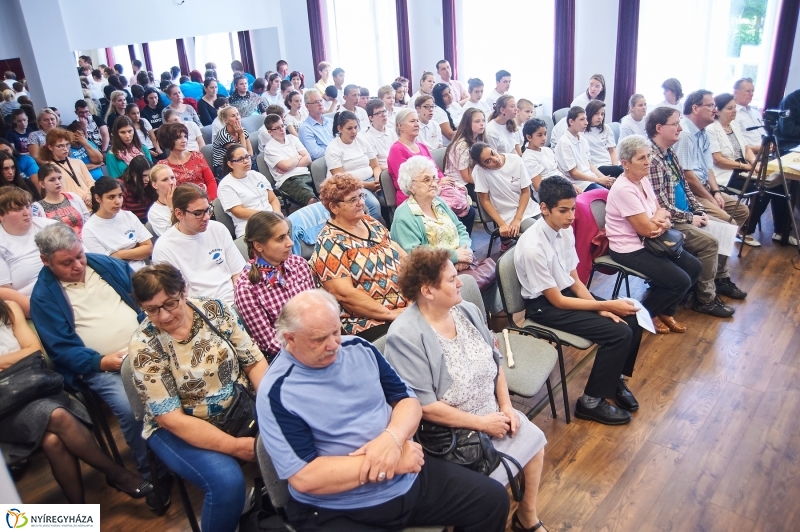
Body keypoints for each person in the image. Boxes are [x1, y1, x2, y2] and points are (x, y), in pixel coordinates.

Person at [258, 289, 510, 532]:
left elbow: (408, 402)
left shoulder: (359, 347)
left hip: (408, 473)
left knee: (492, 501)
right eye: (319, 339)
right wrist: (391, 462)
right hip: (339, 507)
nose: (334, 344)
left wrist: (393, 437)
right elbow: (305, 477)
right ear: (289, 338)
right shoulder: (278, 392)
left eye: (336, 331)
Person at [384, 246, 547, 532]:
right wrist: (482, 424)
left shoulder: (467, 310)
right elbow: (424, 405)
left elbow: (494, 363)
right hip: (453, 435)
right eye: (451, 279)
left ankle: (526, 515)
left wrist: (507, 408)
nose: (461, 282)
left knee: (534, 437)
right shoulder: (405, 335)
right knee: (484, 494)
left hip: (491, 415)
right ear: (428, 291)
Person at [30, 223, 166, 507]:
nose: (77, 265)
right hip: (102, 367)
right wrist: (101, 361)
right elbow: (61, 349)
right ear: (46, 261)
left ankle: (188, 448)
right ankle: (153, 472)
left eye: (79, 255)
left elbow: (142, 296)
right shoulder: (44, 296)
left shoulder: (103, 264)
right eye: (66, 263)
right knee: (131, 410)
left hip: (148, 347)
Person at [127, 263, 266, 531]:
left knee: (295, 429)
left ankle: (289, 509)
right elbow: (172, 420)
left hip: (238, 402)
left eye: (170, 303)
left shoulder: (214, 311)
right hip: (178, 426)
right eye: (152, 309)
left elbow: (254, 362)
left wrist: (270, 407)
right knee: (226, 483)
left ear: (184, 291)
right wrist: (236, 447)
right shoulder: (145, 346)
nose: (164, 316)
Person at [0, 297, 153, 504]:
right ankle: (117, 474)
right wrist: (18, 357)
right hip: (5, 408)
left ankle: (77, 511)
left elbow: (34, 351)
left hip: (32, 390)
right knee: (58, 415)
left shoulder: (9, 308)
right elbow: (26, 353)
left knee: (53, 441)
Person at [515, 176, 643, 425]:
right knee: (618, 334)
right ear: (544, 209)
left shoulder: (562, 231)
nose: (572, 216)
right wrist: (604, 306)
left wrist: (603, 309)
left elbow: (573, 279)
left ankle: (613, 379)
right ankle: (590, 403)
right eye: (564, 210)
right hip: (544, 307)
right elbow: (558, 302)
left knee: (632, 317)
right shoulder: (533, 247)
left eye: (573, 208)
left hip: (565, 294)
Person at [647, 106, 739, 317]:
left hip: (685, 214)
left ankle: (718, 280)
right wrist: (690, 217)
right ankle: (705, 299)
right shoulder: (652, 159)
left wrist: (698, 211)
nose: (680, 128)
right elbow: (661, 206)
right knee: (710, 242)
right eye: (675, 124)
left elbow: (686, 188)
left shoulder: (669, 153)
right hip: (670, 221)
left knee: (726, 226)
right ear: (659, 128)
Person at [606, 135, 701, 334]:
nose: (648, 162)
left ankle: (665, 311)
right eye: (641, 158)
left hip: (651, 241)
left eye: (648, 156)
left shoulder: (643, 179)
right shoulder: (624, 189)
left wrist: (662, 220)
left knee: (694, 267)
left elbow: (661, 210)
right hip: (629, 248)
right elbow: (647, 229)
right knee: (680, 281)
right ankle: (639, 318)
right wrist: (659, 222)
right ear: (625, 163)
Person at [310, 174, 408, 340]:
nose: (361, 202)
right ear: (334, 207)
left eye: (361, 196)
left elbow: (403, 257)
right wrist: (390, 314)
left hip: (403, 307)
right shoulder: (329, 242)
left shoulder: (371, 223)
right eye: (352, 200)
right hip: (367, 321)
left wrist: (413, 297)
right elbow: (344, 294)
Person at [710, 93, 793, 246]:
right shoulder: (711, 129)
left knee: (781, 185)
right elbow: (719, 160)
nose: (734, 111)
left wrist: (754, 162)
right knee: (761, 188)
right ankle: (745, 230)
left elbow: (746, 148)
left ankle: (781, 231)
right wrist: (746, 166)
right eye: (729, 108)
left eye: (735, 107)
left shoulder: (733, 125)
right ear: (718, 111)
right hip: (726, 173)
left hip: (744, 168)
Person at [233, 211, 315, 359]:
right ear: (258, 246)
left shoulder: (299, 264)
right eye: (280, 239)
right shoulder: (247, 287)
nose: (290, 242)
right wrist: (309, 353)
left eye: (288, 235)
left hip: (315, 338)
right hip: (287, 355)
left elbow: (316, 309)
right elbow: (270, 342)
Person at [675, 90, 750, 249]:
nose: (714, 110)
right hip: (691, 192)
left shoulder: (702, 133)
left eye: (714, 106)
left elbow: (708, 168)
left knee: (742, 211)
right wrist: (710, 198)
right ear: (695, 108)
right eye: (710, 106)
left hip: (704, 187)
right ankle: (718, 266)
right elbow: (687, 176)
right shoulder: (685, 133)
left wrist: (716, 192)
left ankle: (716, 251)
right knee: (729, 222)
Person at [152, 183, 246, 304]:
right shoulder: (164, 248)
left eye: (208, 210)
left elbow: (238, 272)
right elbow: (179, 298)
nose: (207, 217)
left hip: (236, 300)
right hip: (202, 311)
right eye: (198, 213)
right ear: (179, 213)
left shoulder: (218, 229)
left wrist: (241, 300)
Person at [391, 156, 473, 269]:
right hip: (432, 273)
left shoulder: (438, 202)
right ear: (411, 186)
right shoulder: (404, 216)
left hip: (461, 261)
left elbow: (460, 228)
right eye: (426, 180)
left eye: (434, 178)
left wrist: (465, 252)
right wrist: (454, 257)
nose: (434, 184)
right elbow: (415, 257)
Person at [471, 142, 540, 249]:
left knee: (554, 225)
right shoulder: (479, 171)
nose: (495, 160)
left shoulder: (515, 160)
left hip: (526, 207)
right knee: (539, 233)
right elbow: (485, 201)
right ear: (482, 165)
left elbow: (526, 192)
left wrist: (518, 218)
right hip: (508, 215)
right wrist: (502, 224)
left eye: (492, 153)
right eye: (488, 161)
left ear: (493, 148)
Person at [0, 187, 56, 315]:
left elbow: (81, 257)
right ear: (1, 215)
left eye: (28, 206)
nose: (27, 212)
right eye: (18, 209)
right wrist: (40, 313)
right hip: (32, 306)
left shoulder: (49, 226)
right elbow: (5, 294)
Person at [81, 177, 153, 271]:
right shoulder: (89, 229)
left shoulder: (128, 216)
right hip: (119, 276)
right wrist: (136, 249)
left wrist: (119, 254)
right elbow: (108, 265)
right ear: (97, 198)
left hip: (143, 270)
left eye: (120, 196)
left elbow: (148, 249)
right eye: (111, 197)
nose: (118, 201)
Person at [325, 111, 383, 220]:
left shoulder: (362, 141)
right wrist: (367, 185)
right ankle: (371, 233)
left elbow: (375, 165)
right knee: (373, 205)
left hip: (371, 180)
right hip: (349, 187)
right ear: (340, 128)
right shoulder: (333, 148)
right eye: (349, 128)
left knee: (391, 194)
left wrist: (377, 179)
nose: (354, 131)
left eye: (356, 127)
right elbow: (341, 179)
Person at [217, 144, 281, 237]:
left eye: (247, 157)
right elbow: (239, 212)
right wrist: (269, 217)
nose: (246, 161)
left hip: (273, 220)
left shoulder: (256, 175)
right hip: (251, 227)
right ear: (230, 164)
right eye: (240, 159)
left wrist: (278, 213)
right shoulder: (226, 185)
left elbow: (273, 199)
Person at [554, 106, 615, 191]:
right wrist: (599, 180)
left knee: (616, 189)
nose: (586, 122)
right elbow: (574, 174)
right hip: (580, 183)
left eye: (586, 119)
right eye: (582, 119)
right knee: (606, 194)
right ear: (571, 121)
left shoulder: (582, 139)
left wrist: (604, 179)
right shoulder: (565, 142)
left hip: (590, 178)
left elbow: (589, 164)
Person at [261, 114, 317, 206]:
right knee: (311, 200)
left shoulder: (293, 138)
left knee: (328, 190)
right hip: (289, 180)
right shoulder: (269, 148)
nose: (282, 129)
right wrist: (298, 156)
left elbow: (308, 159)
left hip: (306, 173)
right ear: (270, 132)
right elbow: (286, 166)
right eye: (277, 128)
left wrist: (291, 164)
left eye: (282, 125)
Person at [158, 122, 217, 200]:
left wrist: (211, 200)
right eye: (178, 137)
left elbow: (211, 181)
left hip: (205, 199)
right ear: (168, 140)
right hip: (183, 203)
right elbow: (167, 193)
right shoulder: (163, 166)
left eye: (185, 136)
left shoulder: (197, 155)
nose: (184, 140)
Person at [32, 163, 90, 237]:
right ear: (42, 184)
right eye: (52, 180)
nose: (58, 182)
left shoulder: (73, 197)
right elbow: (40, 234)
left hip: (84, 240)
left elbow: (87, 221)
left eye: (59, 178)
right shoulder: (37, 208)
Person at [41, 129, 94, 207]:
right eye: (60, 146)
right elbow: (55, 194)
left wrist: (89, 194)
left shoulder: (78, 162)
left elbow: (91, 181)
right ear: (50, 147)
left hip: (90, 201)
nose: (65, 148)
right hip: (72, 207)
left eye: (67, 144)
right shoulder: (49, 169)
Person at [521, 118, 567, 197]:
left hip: (561, 186)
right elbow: (538, 187)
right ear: (529, 137)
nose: (544, 138)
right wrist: (562, 189)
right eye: (540, 135)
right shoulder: (528, 157)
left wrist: (571, 184)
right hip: (549, 194)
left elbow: (558, 171)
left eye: (545, 134)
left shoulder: (547, 150)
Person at [583, 100, 623, 177]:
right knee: (622, 171)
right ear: (589, 113)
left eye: (602, 114)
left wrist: (615, 166)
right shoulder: (582, 131)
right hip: (598, 166)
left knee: (630, 168)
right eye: (596, 113)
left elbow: (612, 151)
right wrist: (616, 169)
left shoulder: (606, 128)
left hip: (611, 164)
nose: (600, 117)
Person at [212, 106, 253, 176]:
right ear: (225, 120)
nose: (237, 118)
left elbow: (250, 153)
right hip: (224, 165)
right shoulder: (223, 135)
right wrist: (241, 135)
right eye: (233, 116)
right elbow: (240, 154)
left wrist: (241, 133)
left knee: (252, 164)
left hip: (239, 162)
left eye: (238, 114)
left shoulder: (243, 130)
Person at [298, 89, 334, 160]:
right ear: (307, 107)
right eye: (316, 102)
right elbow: (315, 153)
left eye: (321, 101)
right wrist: (336, 151)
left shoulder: (331, 121)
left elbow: (341, 139)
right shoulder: (305, 128)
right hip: (327, 160)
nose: (320, 104)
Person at [362, 99, 398, 170]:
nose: (384, 115)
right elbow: (374, 164)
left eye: (384, 111)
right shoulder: (368, 138)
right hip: (384, 171)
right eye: (379, 113)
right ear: (371, 118)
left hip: (397, 166)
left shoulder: (392, 132)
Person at [118, 155, 155, 223]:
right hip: (132, 223)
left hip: (152, 220)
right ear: (133, 173)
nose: (147, 179)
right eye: (144, 176)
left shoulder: (151, 182)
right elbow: (121, 215)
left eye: (149, 176)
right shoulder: (120, 186)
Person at [731, 78, 763, 153]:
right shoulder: (732, 113)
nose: (751, 94)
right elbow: (734, 146)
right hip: (749, 156)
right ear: (736, 92)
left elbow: (763, 132)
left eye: (752, 91)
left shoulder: (756, 113)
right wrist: (759, 149)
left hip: (767, 153)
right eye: (748, 91)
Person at [146, 164, 176, 237]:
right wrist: (172, 208)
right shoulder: (154, 213)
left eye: (172, 177)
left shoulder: (186, 197)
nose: (171, 182)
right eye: (165, 180)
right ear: (154, 185)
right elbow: (172, 237)